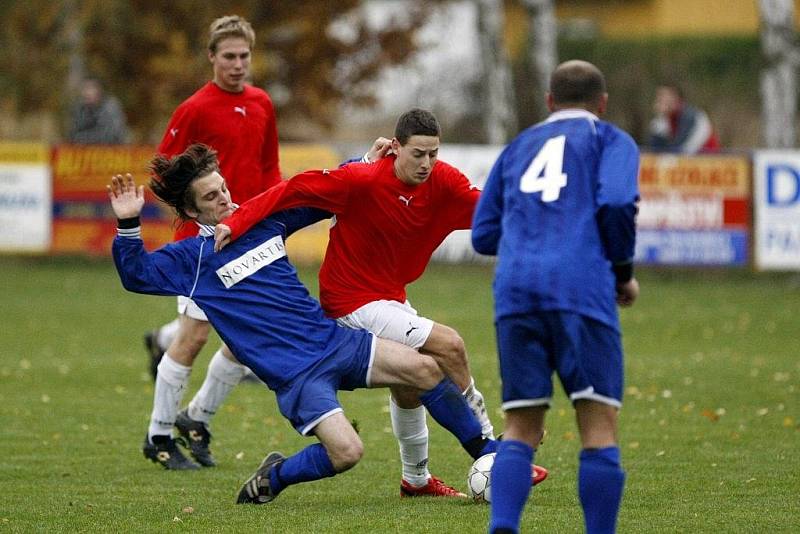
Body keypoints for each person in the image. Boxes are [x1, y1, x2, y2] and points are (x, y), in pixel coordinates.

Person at [108, 143, 501, 505]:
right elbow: (136, 274)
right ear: (192, 212)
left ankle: (488, 455)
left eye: (224, 188)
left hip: (333, 342)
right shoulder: (191, 260)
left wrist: (364, 163)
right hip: (296, 376)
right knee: (347, 453)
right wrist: (128, 224)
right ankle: (275, 476)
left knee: (425, 368)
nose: (226, 198)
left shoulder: (263, 222)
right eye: (212, 196)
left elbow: (321, 194)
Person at [214, 108, 548, 496]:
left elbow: (495, 210)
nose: (426, 163)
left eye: (433, 154)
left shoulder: (444, 183)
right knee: (449, 344)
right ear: (394, 148)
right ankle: (492, 451)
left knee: (408, 384)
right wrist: (235, 222)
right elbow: (293, 190)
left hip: (389, 300)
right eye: (417, 154)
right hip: (348, 301)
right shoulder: (362, 179)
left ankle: (415, 480)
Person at [471, 60, 640, 534]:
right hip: (580, 289)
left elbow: (483, 235)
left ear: (549, 102)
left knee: (521, 427)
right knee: (598, 425)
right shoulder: (610, 140)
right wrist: (622, 273)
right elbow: (617, 202)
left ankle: (503, 526)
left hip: (516, 293)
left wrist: (532, 235)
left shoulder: (518, 147)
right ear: (602, 104)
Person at [141, 14, 282, 470]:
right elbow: (163, 173)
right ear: (212, 57)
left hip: (246, 237)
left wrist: (269, 221)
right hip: (203, 242)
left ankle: (196, 418)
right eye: (229, 56)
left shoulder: (262, 103)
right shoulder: (195, 109)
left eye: (244, 56)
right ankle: (158, 436)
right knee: (194, 337)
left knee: (246, 339)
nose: (238, 64)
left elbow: (270, 172)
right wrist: (192, 219)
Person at [648, 83, 719, 154]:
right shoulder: (663, 120)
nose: (660, 100)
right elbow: (655, 148)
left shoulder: (691, 116)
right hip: (689, 159)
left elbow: (680, 148)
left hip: (708, 159)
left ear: (677, 99)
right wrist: (659, 117)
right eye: (659, 97)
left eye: (665, 97)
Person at [68, 77, 129, 144]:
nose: (86, 93)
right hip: (87, 150)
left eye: (90, 89)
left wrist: (83, 138)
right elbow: (73, 134)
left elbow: (111, 135)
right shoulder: (81, 109)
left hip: (112, 150)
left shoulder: (110, 107)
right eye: (84, 89)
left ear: (99, 90)